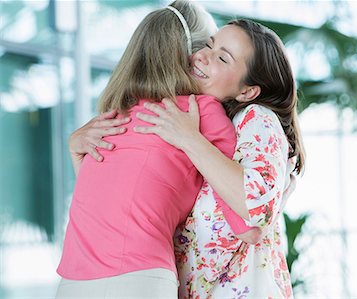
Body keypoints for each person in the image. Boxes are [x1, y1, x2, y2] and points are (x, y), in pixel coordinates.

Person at [71, 18, 305, 298]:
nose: (202, 56)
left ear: (247, 91)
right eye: (208, 44)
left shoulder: (256, 118)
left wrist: (188, 138)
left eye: (222, 57)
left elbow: (254, 212)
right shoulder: (196, 119)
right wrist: (77, 147)